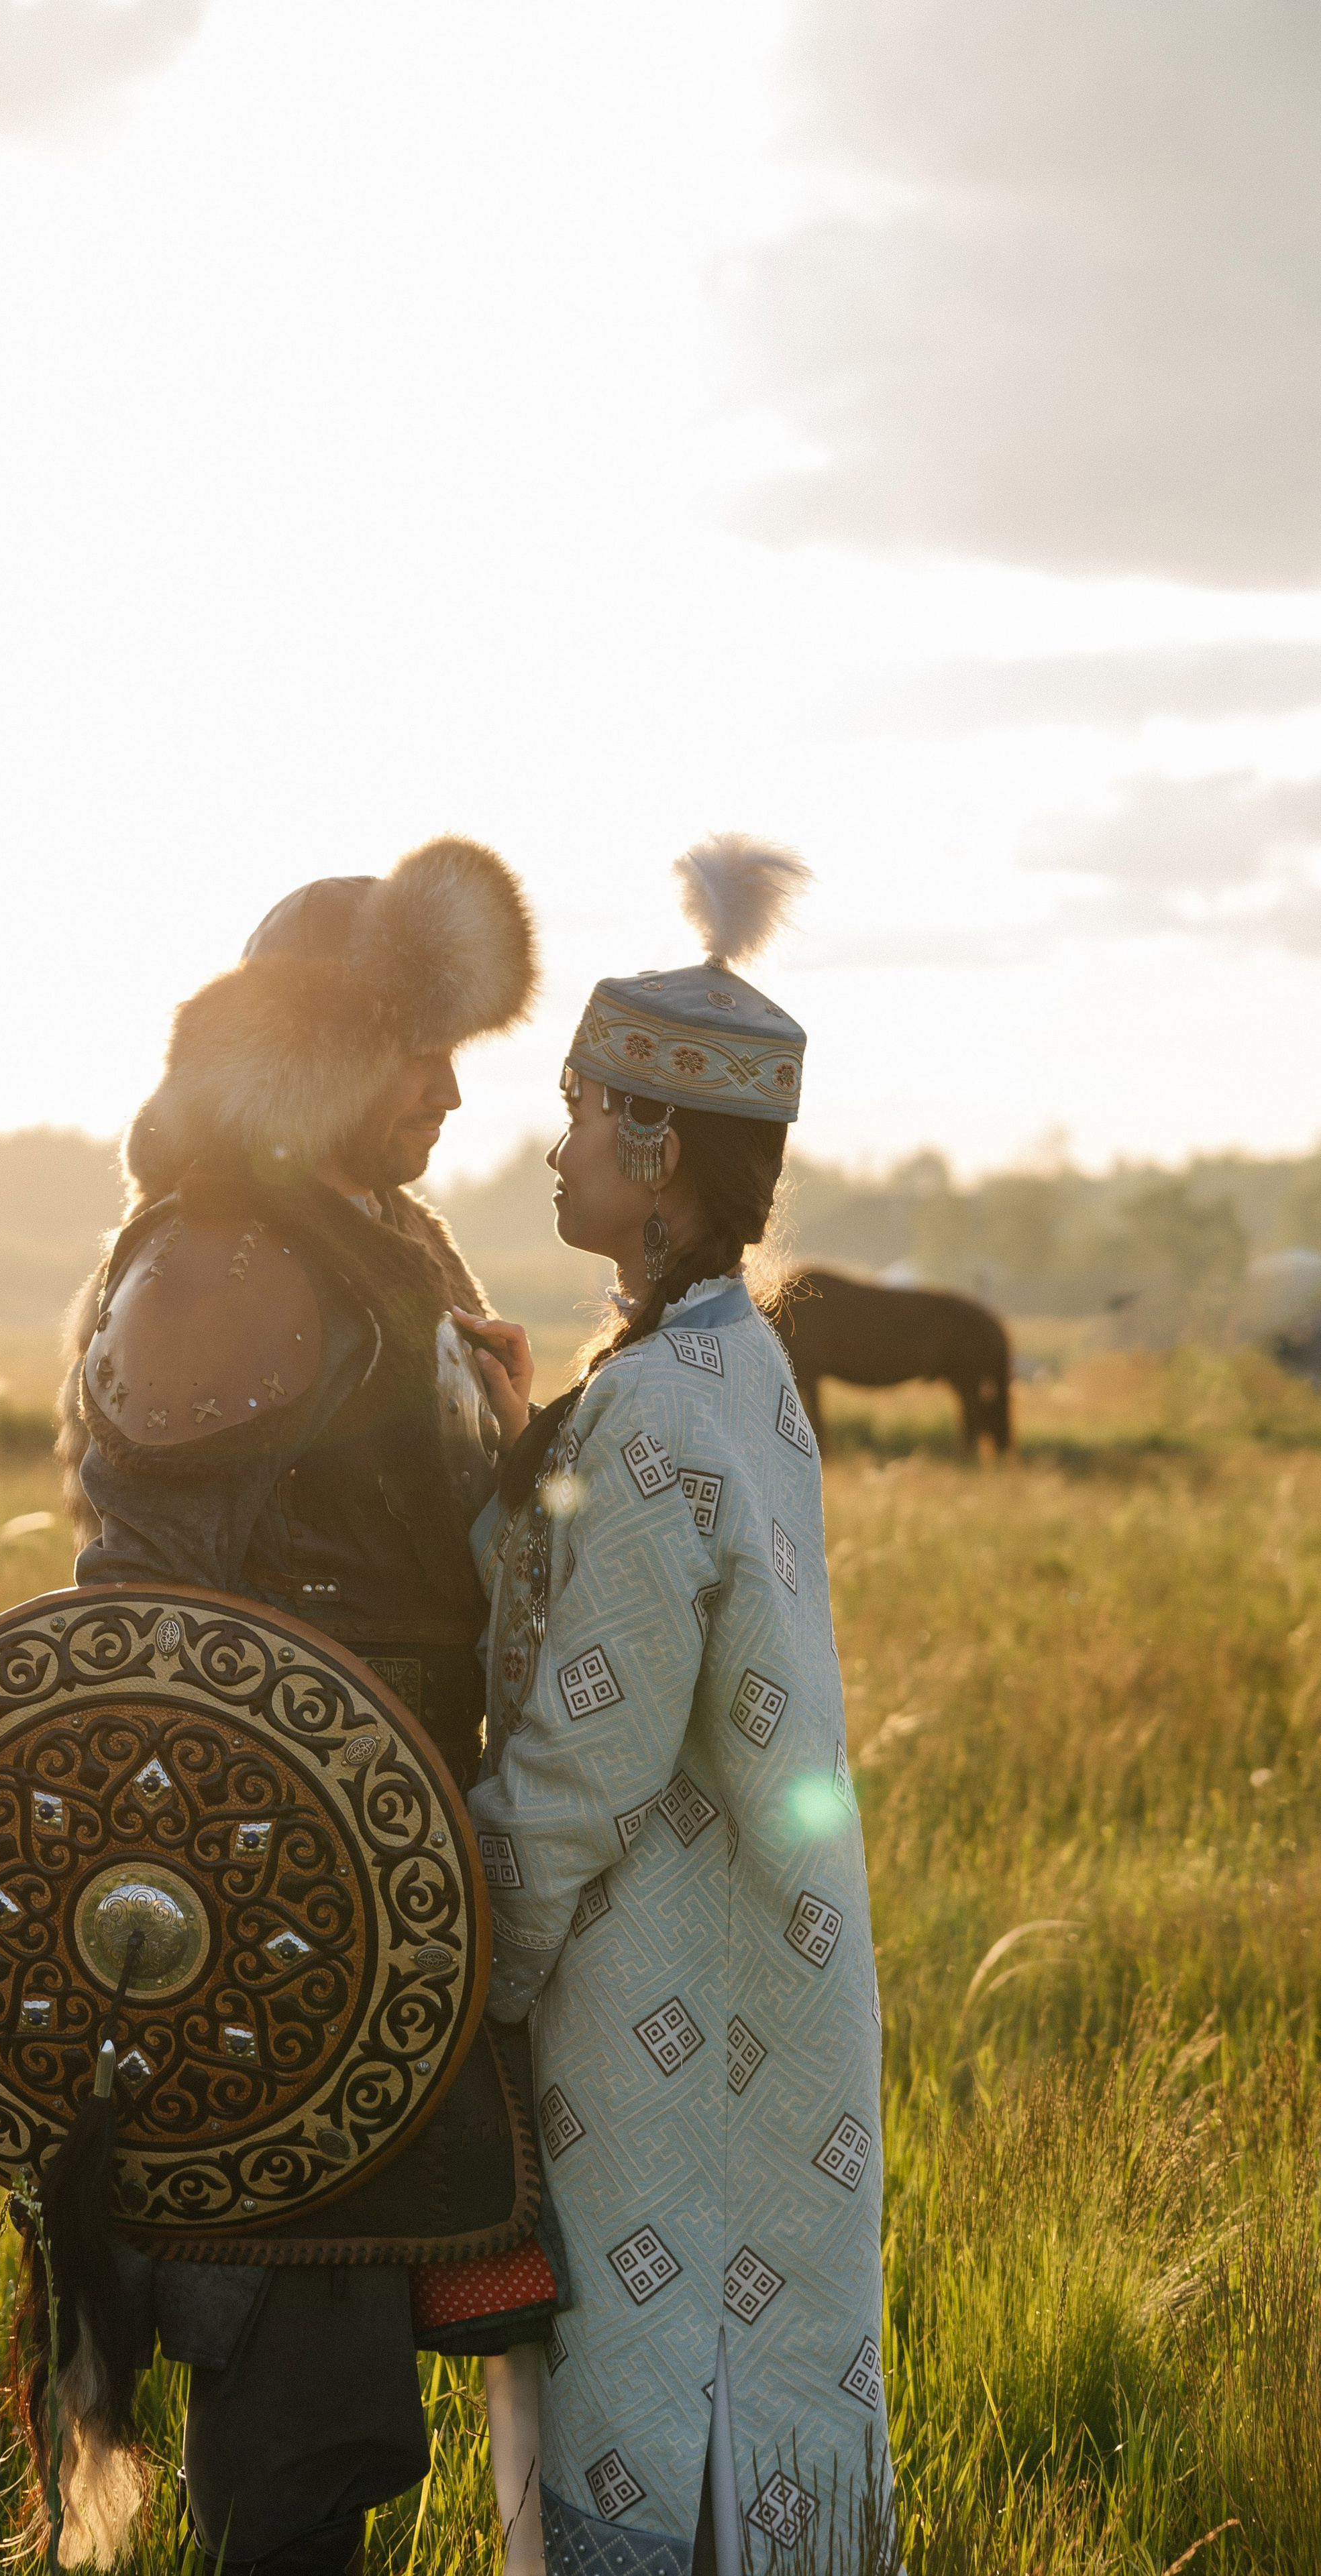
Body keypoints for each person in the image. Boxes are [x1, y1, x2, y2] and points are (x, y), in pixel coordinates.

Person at [48, 836, 557, 2575]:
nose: (447, 1092)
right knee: (291, 2384)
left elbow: (419, 1528)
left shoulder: (375, 1235)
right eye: (415, 1051)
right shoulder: (225, 1260)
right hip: (267, 1886)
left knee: (340, 2376)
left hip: (383, 1848)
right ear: (325, 1057)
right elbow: (159, 1628)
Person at [459, 836, 900, 2576]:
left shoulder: (650, 1411)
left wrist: (445, 1959)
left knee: (664, 2416)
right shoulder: (732, 1359)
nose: (556, 1141)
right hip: (766, 1982)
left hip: (657, 2022)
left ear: (655, 1145)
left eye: (577, 1108)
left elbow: (583, 1761)